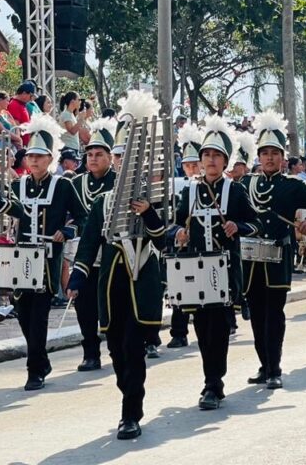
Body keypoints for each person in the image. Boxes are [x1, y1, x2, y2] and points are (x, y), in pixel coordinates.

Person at [69, 93, 166, 439]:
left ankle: (131, 414)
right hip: (111, 285)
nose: (125, 163)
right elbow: (88, 243)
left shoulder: (156, 194)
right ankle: (129, 396)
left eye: (130, 157)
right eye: (121, 157)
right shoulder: (103, 201)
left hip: (141, 282)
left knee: (132, 347)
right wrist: (77, 277)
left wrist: (149, 213)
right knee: (115, 349)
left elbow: (163, 240)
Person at [0, 113, 88, 391]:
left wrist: (68, 230)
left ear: (50, 158)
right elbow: (9, 210)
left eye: (40, 156)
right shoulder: (18, 184)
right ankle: (41, 360)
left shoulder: (63, 185)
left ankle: (34, 369)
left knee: (38, 316)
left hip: (48, 259)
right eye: (30, 156)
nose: (34, 161)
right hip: (20, 258)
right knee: (24, 315)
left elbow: (83, 217)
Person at [172, 115, 260, 410]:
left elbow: (255, 224)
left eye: (216, 155)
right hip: (195, 270)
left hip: (224, 270)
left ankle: (214, 383)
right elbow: (174, 225)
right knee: (201, 327)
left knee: (219, 328)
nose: (210, 160)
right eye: (206, 154)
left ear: (225, 161)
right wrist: (179, 233)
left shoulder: (235, 190)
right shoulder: (190, 191)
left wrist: (238, 226)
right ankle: (210, 379)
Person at [240, 110, 306, 390]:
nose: (269, 158)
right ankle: (264, 365)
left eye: (274, 153)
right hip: (250, 261)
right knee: (256, 314)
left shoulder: (292, 186)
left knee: (274, 314)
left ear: (282, 157)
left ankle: (275, 368)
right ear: (258, 156)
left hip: (278, 257)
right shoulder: (246, 183)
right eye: (265, 153)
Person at [66, 118, 118, 371]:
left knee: (113, 305)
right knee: (84, 305)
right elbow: (73, 217)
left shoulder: (119, 182)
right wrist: (69, 229)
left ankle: (118, 349)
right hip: (84, 255)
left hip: (112, 254)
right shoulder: (76, 183)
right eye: (90, 155)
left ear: (110, 157)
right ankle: (91, 353)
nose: (93, 159)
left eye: (99, 154)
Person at [168, 122, 205, 348]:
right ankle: (179, 332)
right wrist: (178, 232)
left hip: (207, 246)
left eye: (195, 164)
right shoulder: (177, 186)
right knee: (180, 289)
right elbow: (172, 219)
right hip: (183, 246)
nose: (191, 169)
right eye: (187, 165)